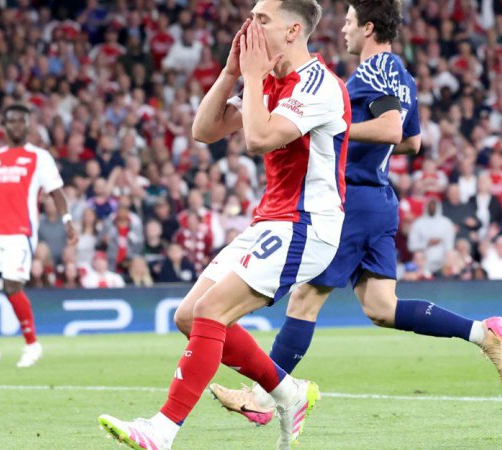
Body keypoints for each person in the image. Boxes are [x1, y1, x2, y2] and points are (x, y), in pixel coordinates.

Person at [208, 0, 502, 428]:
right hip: (377, 198)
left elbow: (391, 129)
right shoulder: (402, 75)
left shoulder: (376, 69)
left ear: (368, 27)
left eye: (350, 22)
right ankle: (483, 333)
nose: (343, 30)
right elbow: (411, 142)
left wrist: (331, 124)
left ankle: (262, 397)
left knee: (305, 298)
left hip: (351, 197)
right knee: (382, 307)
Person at [98, 2, 351, 449]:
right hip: (272, 220)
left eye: (262, 19)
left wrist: (251, 78)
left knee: (212, 311)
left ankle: (162, 430)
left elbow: (258, 139)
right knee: (188, 315)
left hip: (308, 225)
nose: (250, 25)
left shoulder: (319, 85)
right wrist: (233, 71)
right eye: (251, 16)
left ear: (293, 30)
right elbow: (204, 131)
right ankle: (289, 393)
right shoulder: (265, 80)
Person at [0, 104, 78, 369]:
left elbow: (56, 192)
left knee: (11, 286)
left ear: (28, 124)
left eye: (21, 121)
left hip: (20, 233)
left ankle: (32, 345)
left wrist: (67, 220)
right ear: (4, 125)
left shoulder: (39, 157)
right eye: (12, 121)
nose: (17, 125)